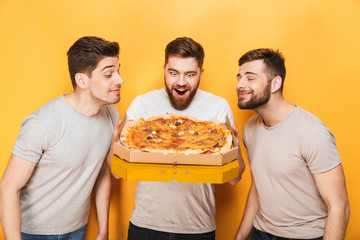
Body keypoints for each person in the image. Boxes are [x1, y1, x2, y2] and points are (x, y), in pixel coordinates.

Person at [0, 36, 124, 240]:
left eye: (119, 71)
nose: (119, 80)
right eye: (109, 74)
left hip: (78, 229)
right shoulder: (43, 122)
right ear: (82, 80)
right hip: (34, 234)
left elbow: (102, 171)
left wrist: (103, 229)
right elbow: (8, 187)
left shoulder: (111, 115)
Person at [123, 37, 245, 240]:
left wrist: (235, 148)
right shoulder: (142, 105)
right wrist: (115, 143)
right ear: (164, 70)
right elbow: (117, 171)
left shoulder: (218, 107)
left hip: (198, 226)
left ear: (201, 73)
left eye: (190, 74)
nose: (181, 82)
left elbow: (235, 178)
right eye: (173, 73)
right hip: (145, 224)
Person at [234, 48, 350, 240]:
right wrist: (240, 237)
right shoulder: (249, 129)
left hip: (305, 236)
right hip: (261, 233)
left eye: (250, 78)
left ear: (275, 84)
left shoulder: (312, 132)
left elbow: (339, 207)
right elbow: (259, 186)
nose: (240, 84)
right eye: (239, 78)